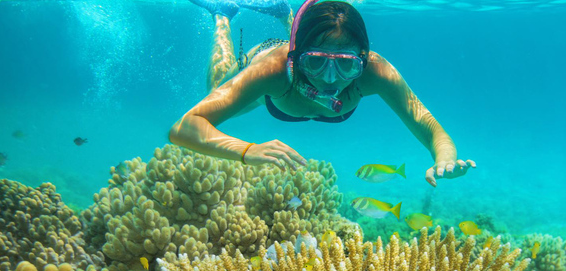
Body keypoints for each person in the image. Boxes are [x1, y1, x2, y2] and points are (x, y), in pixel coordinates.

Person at [170, 0, 475, 187]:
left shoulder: (376, 71)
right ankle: (223, 15)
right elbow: (185, 126)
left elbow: (428, 125)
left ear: (363, 59)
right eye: (314, 62)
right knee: (216, 87)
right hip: (264, 54)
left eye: (346, 65)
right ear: (296, 58)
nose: (330, 80)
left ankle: (285, 15)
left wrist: (444, 158)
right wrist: (247, 150)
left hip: (301, 49)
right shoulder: (272, 71)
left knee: (322, 44)